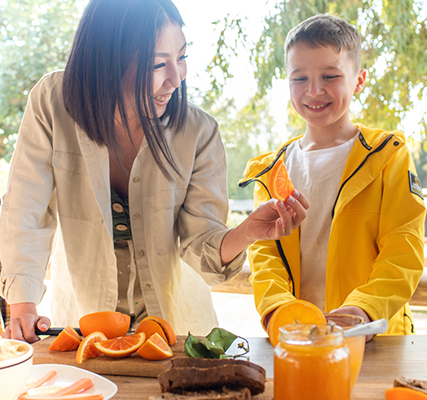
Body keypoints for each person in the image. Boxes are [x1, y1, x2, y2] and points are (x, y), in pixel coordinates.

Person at [0, 0, 308, 343]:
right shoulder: (52, 103)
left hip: (178, 331)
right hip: (80, 324)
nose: (176, 77)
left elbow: (199, 245)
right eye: (158, 64)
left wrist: (246, 231)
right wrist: (23, 305)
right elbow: (26, 209)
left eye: (182, 57)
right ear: (105, 60)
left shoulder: (199, 132)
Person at [239, 14, 426, 338]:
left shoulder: (388, 156)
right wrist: (277, 309)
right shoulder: (272, 170)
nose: (314, 90)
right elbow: (264, 256)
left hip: (375, 338)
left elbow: (404, 249)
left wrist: (364, 309)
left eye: (329, 75)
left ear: (359, 80)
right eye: (299, 79)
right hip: (298, 339)